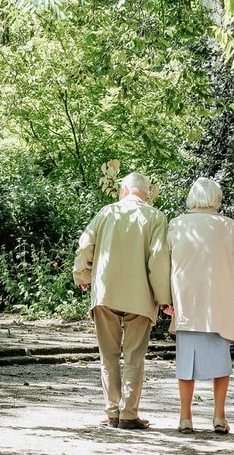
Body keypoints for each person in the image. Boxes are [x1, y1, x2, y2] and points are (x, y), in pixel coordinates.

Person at [73, 172, 172, 430]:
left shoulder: (106, 213)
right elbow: (159, 260)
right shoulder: (156, 217)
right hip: (140, 297)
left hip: (106, 293)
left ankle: (112, 412)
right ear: (146, 193)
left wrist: (82, 274)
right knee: (134, 356)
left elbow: (85, 246)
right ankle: (129, 414)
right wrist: (164, 298)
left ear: (124, 190)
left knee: (108, 355)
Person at [165, 177, 234, 435]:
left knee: (186, 364)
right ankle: (219, 415)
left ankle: (185, 417)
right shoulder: (229, 227)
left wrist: (167, 299)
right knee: (221, 363)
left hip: (188, 304)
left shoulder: (177, 225)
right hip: (220, 305)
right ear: (217, 198)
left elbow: (166, 266)